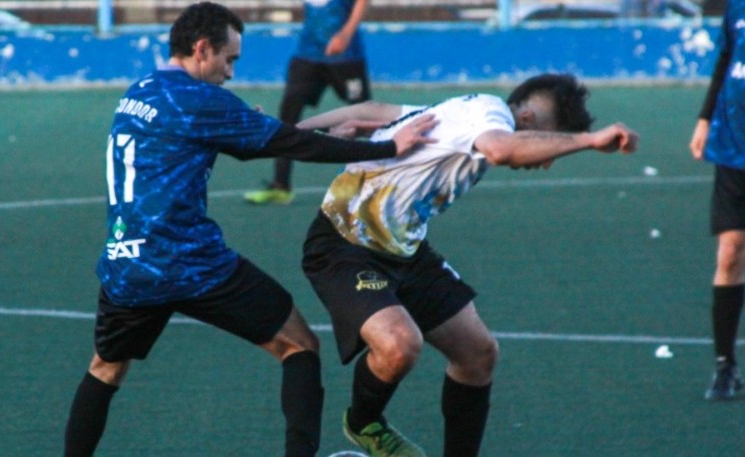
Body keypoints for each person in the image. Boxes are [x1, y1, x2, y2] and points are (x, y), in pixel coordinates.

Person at [61, 3, 437, 456]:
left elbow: (247, 135)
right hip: (192, 263)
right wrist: (388, 146)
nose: (231, 72)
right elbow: (289, 143)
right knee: (299, 345)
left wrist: (313, 128)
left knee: (105, 368)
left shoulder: (141, 89)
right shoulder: (202, 100)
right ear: (202, 49)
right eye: (229, 59)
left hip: (128, 265)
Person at [297, 74, 639, 457]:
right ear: (526, 119)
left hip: (404, 250)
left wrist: (290, 131)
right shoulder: (488, 114)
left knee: (478, 354)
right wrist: (590, 141)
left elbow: (373, 112)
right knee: (399, 344)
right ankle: (364, 423)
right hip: (343, 245)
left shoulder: (463, 114)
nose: (546, 160)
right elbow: (502, 150)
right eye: (550, 146)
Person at [243, 0, 372, 205]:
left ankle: (368, 183)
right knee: (288, 114)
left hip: (346, 56)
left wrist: (346, 33)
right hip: (307, 54)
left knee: (365, 118)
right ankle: (281, 185)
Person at [688, 0, 745, 401]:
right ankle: (725, 365)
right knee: (729, 254)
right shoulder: (736, 8)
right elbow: (726, 58)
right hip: (734, 147)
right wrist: (705, 118)